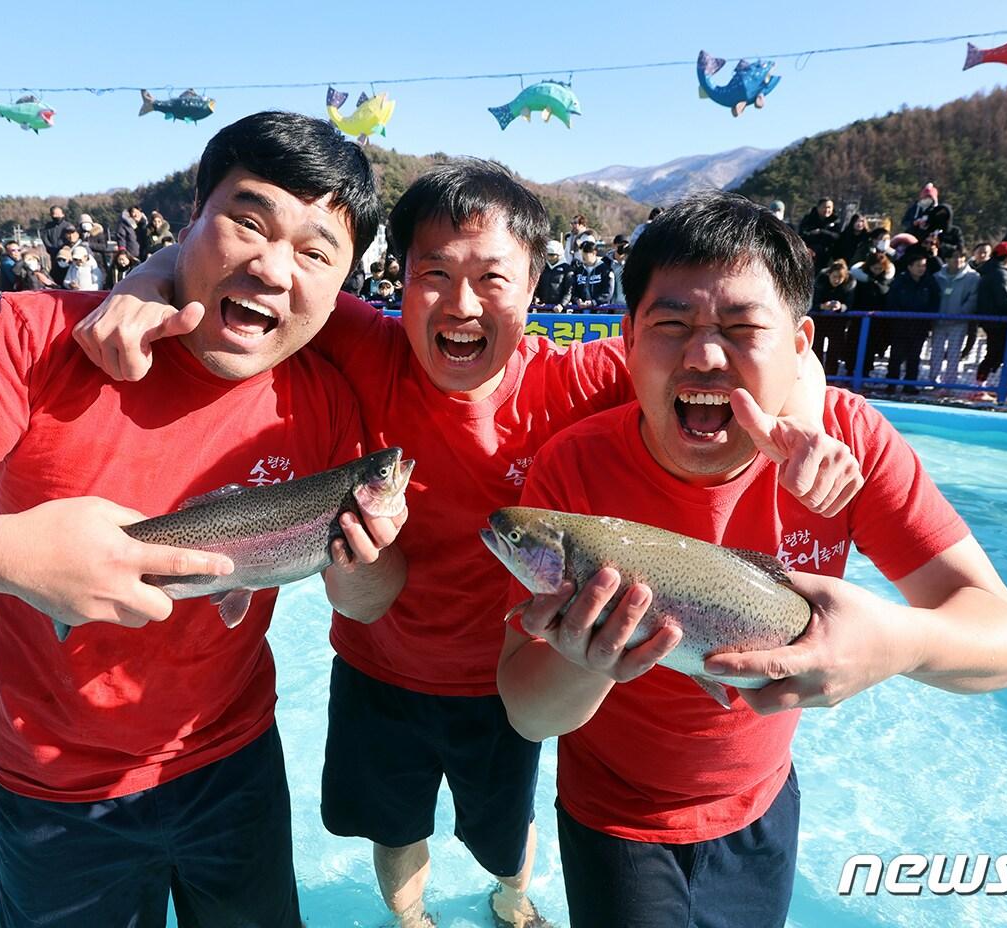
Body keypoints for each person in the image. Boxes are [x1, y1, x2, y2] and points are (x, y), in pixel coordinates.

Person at [72, 160, 861, 928]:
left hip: (504, 684)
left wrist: (813, 421)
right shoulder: (370, 348)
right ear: (400, 281)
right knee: (394, 827)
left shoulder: (579, 378)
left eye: (492, 277)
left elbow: (756, 352)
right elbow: (241, 272)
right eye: (435, 274)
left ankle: (513, 898)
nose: (461, 303)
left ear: (533, 289)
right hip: (378, 670)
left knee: (503, 833)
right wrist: (142, 281)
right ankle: (408, 917)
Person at [0, 110, 397, 928]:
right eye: (248, 221)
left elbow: (369, 600)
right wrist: (2, 550)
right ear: (189, 219)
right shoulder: (31, 340)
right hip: (53, 787)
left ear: (342, 282)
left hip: (236, 759)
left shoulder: (324, 398)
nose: (274, 269)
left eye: (316, 252)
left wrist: (364, 558)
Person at [495, 191, 1007, 928]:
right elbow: (528, 714)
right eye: (671, 324)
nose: (705, 355)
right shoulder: (575, 470)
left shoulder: (852, 447)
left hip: (764, 804)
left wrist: (892, 643)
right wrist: (583, 658)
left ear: (799, 343)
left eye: (742, 327)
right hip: (615, 815)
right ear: (627, 337)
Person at [883, 246, 940, 393]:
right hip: (900, 326)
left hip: (919, 326)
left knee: (914, 357)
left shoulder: (930, 282)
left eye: (924, 266)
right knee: (896, 356)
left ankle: (910, 384)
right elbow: (892, 301)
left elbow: (935, 301)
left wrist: (928, 319)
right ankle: (891, 383)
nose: (921, 269)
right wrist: (897, 316)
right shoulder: (900, 281)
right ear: (910, 267)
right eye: (918, 266)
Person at [974, 241, 1007, 392]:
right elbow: (1003, 300)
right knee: (995, 354)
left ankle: (981, 385)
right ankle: (979, 386)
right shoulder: (1000, 274)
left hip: (992, 320)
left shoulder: (993, 271)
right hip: (998, 321)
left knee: (995, 353)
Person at [930, 245, 980, 388]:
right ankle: (933, 380)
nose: (958, 260)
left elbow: (973, 298)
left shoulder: (973, 277)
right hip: (939, 322)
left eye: (961, 257)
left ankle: (950, 382)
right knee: (936, 351)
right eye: (954, 257)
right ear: (947, 259)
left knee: (954, 353)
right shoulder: (937, 276)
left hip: (959, 322)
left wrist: (961, 314)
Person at [809, 258, 855, 375]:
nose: (837, 280)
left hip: (837, 323)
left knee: (834, 350)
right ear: (829, 274)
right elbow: (811, 303)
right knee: (816, 348)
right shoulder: (819, 283)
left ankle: (831, 374)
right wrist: (822, 306)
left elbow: (850, 304)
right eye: (834, 277)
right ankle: (815, 373)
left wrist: (840, 307)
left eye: (840, 278)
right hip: (819, 321)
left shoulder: (849, 286)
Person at [568, 238, 614, 311]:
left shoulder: (605, 269)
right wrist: (577, 300)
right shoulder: (579, 270)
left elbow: (607, 292)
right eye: (581, 253)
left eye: (585, 254)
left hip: (600, 311)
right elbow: (573, 290)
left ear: (594, 253)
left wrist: (593, 302)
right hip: (580, 311)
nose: (582, 257)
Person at [798, 198, 840, 268]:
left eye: (829, 207)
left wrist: (823, 232)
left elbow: (837, 237)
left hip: (828, 254)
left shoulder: (836, 221)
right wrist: (811, 233)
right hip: (810, 253)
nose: (827, 210)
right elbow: (801, 234)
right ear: (818, 207)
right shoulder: (809, 219)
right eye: (824, 207)